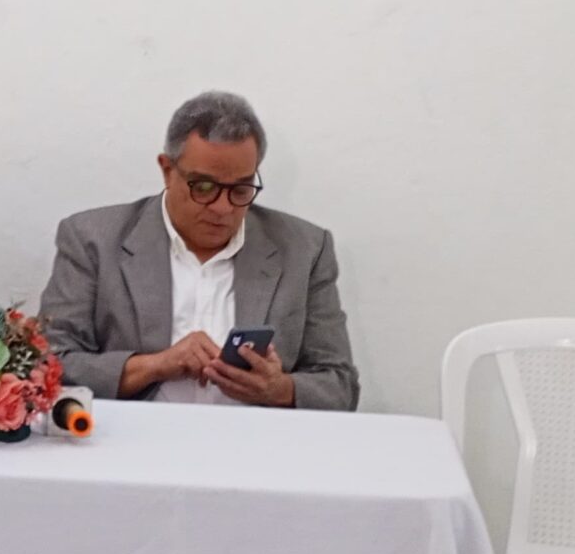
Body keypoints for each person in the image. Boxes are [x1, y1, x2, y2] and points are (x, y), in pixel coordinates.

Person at [38, 91, 359, 411]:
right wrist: (155, 366)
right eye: (204, 187)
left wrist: (279, 389)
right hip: (135, 435)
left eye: (241, 189)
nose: (222, 208)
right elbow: (48, 365)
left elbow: (340, 387)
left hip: (257, 436)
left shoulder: (304, 250)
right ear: (167, 170)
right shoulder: (93, 241)